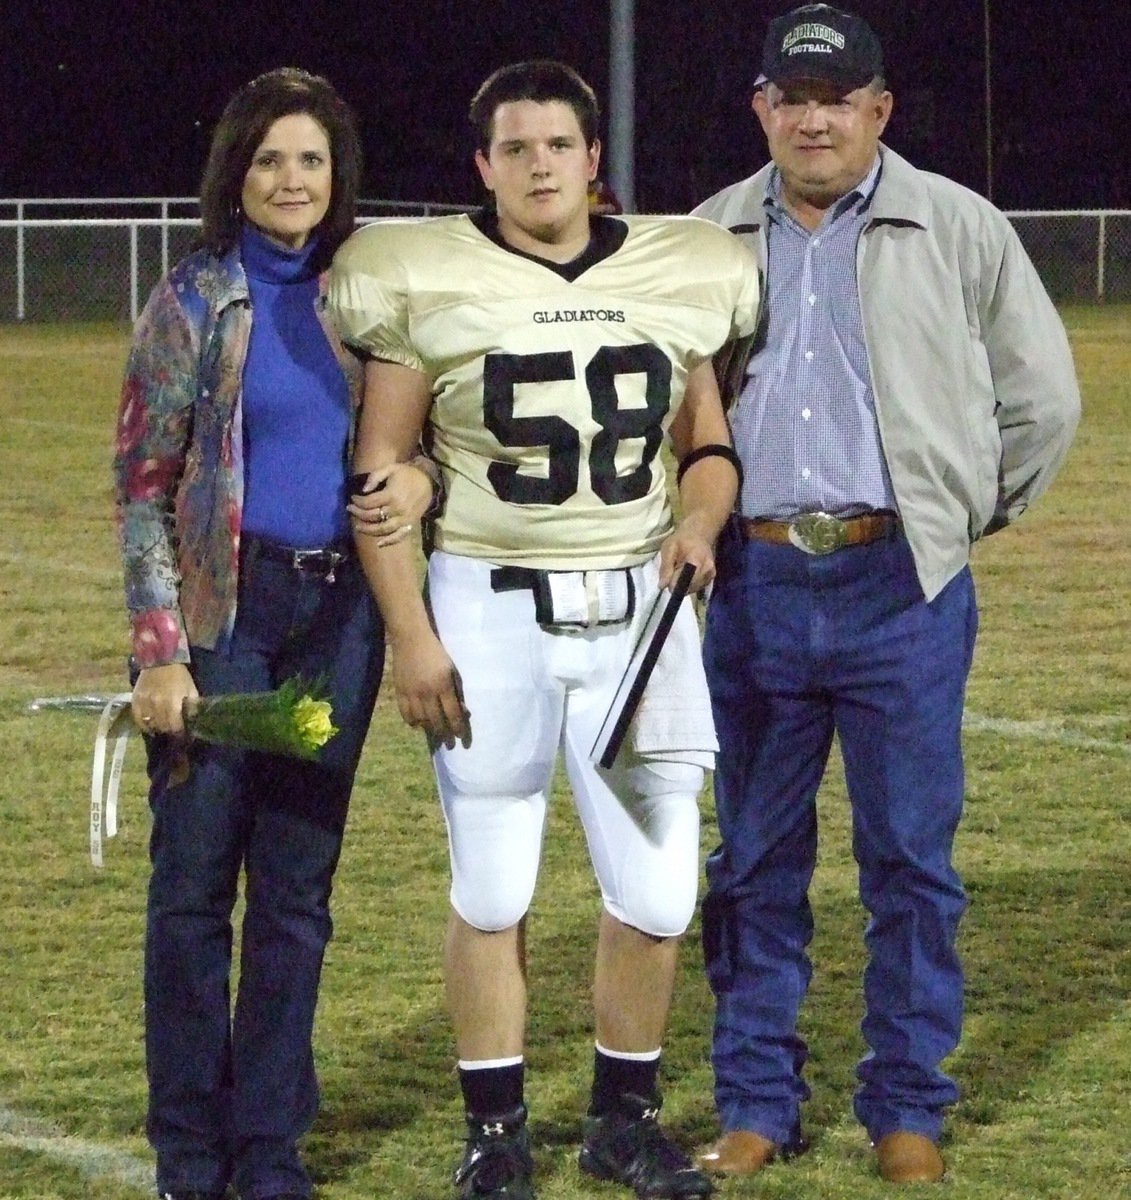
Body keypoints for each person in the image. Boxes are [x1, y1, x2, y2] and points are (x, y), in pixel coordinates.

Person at [328, 60, 759, 1200]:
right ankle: (495, 1130)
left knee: (659, 892)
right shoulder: (421, 276)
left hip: (640, 611)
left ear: (591, 159)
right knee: (493, 884)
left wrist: (702, 525)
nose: (537, 166)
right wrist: (413, 636)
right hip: (490, 602)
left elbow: (707, 451)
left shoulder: (682, 272)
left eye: (556, 145)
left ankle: (625, 1121)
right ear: (483, 166)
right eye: (513, 149)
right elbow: (379, 473)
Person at [689, 4, 1081, 1186]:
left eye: (839, 96)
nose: (814, 117)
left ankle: (906, 1105)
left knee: (911, 860)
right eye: (791, 97)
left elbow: (1043, 402)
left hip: (899, 584)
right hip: (753, 582)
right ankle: (758, 1102)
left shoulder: (955, 224)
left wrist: (955, 520)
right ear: (763, 107)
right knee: (753, 860)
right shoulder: (707, 237)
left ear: (878, 110)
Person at [113, 67, 437, 1200]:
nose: (291, 179)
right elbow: (143, 484)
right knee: (196, 890)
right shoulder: (195, 299)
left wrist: (427, 481)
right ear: (235, 175)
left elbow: (423, 443)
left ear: (338, 173)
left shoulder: (374, 296)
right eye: (268, 159)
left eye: (310, 158)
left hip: (342, 616)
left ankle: (268, 1153)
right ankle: (189, 1156)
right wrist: (161, 647)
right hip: (223, 615)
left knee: (297, 898)